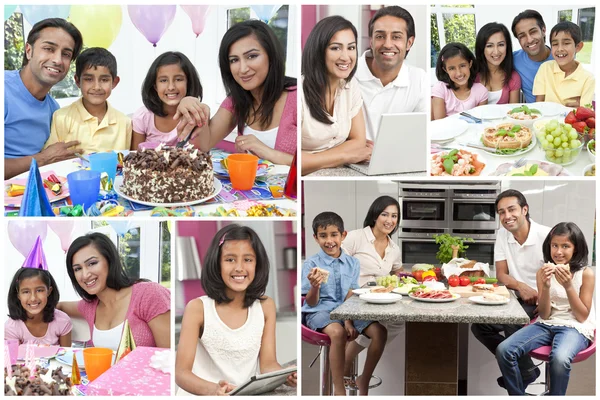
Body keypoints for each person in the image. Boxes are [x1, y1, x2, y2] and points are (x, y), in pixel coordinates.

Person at [175, 224, 297, 395]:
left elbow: (268, 364)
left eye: (247, 260)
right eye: (230, 259)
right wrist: (214, 390)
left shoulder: (265, 306)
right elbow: (181, 374)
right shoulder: (197, 308)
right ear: (217, 264)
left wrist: (285, 376)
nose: (239, 267)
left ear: (257, 264)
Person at [175, 20, 296, 166]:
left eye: (251, 56)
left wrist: (266, 151)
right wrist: (195, 107)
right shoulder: (236, 101)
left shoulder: (298, 98)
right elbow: (204, 145)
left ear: (271, 56)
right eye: (234, 60)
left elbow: (317, 161)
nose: (242, 69)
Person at [496, 222, 594, 395]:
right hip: (547, 323)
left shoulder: (585, 274)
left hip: (575, 327)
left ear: (576, 249)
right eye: (554, 245)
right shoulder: (543, 272)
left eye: (565, 246)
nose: (558, 252)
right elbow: (545, 314)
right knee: (504, 350)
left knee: (560, 358)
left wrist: (569, 287)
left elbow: (582, 317)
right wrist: (547, 287)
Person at [471, 189, 551, 389]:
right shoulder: (502, 234)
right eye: (501, 212)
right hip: (518, 299)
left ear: (525, 209)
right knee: (480, 326)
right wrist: (520, 286)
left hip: (545, 302)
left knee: (510, 321)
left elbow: (557, 276)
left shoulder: (546, 236)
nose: (507, 216)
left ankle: (520, 374)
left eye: (512, 209)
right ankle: (526, 371)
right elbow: (501, 274)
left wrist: (542, 298)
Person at [302, 212, 387, 395]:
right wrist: (314, 287)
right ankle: (339, 389)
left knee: (379, 331)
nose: (329, 240)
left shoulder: (352, 263)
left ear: (343, 235)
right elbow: (310, 301)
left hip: (346, 310)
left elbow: (351, 293)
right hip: (320, 311)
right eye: (323, 236)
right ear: (315, 238)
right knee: (338, 332)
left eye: (334, 235)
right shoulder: (311, 264)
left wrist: (348, 320)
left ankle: (363, 379)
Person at [58, 233, 170, 350]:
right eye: (78, 269)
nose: (85, 275)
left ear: (110, 260)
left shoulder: (149, 294)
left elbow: (168, 358)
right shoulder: (89, 306)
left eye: (92, 263)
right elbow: (60, 306)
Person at [4, 18, 83, 179]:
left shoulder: (54, 110)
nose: (57, 60)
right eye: (48, 48)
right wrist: (43, 159)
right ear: (28, 51)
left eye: (66, 54)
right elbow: (47, 157)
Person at [341, 196, 404, 380]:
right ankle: (359, 376)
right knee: (380, 329)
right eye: (385, 214)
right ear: (375, 215)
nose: (390, 220)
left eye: (394, 216)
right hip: (352, 299)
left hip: (378, 300)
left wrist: (405, 277)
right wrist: (346, 319)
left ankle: (351, 365)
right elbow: (338, 268)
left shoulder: (394, 248)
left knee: (399, 321)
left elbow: (398, 270)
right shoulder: (356, 237)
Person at [301, 16, 371, 175]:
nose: (346, 57)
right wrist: (345, 155)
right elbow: (293, 161)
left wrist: (312, 159)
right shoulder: (298, 95)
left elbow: (359, 142)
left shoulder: (350, 86)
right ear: (319, 51)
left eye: (351, 48)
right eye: (335, 48)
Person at [354, 6, 427, 141]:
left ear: (409, 43)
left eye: (396, 37)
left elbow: (421, 135)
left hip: (399, 158)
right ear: (371, 41)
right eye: (380, 36)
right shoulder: (349, 72)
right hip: (350, 158)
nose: (387, 44)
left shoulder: (419, 79)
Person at [44, 47, 132, 153]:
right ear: (77, 81)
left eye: (104, 80)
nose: (96, 87)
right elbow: (52, 158)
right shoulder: (61, 117)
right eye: (88, 79)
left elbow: (127, 162)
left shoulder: (124, 122)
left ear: (114, 82)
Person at [131, 51, 203, 150]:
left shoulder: (196, 114)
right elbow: (135, 155)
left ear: (188, 83)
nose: (171, 87)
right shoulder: (143, 117)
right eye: (163, 80)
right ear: (155, 86)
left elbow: (200, 155)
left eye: (178, 79)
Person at [533, 21, 595, 107]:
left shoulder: (588, 78)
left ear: (578, 47)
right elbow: (539, 103)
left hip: (571, 120)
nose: (560, 49)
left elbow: (585, 111)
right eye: (555, 44)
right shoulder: (545, 68)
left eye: (566, 43)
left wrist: (579, 107)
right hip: (546, 120)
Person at [5, 267, 71, 346]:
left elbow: (66, 355)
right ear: (18, 295)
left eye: (39, 290)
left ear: (49, 291)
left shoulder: (62, 321)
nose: (33, 298)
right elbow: (13, 357)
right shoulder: (12, 327)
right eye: (26, 292)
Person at [431, 42, 488, 120]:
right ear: (445, 70)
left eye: (462, 66)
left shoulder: (481, 91)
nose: (459, 73)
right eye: (452, 68)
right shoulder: (440, 89)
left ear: (470, 64)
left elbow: (480, 122)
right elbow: (440, 123)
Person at [511, 10, 553, 103]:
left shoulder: (561, 58)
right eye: (522, 36)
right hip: (534, 115)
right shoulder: (514, 59)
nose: (529, 40)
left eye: (533, 32)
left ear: (543, 30)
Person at [475, 22, 521, 104]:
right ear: (481, 48)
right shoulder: (471, 76)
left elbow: (514, 113)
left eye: (501, 45)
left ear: (507, 46)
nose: (496, 52)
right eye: (489, 46)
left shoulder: (513, 78)